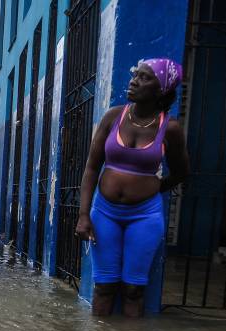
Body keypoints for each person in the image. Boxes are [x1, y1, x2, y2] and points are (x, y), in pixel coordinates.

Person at [75, 58, 190, 317]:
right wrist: (84, 215)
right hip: (104, 213)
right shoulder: (114, 116)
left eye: (145, 77)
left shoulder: (170, 129)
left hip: (145, 216)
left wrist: (153, 188)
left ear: (161, 89)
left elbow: (182, 172)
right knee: (104, 286)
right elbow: (92, 167)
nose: (134, 80)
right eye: (135, 74)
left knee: (133, 290)